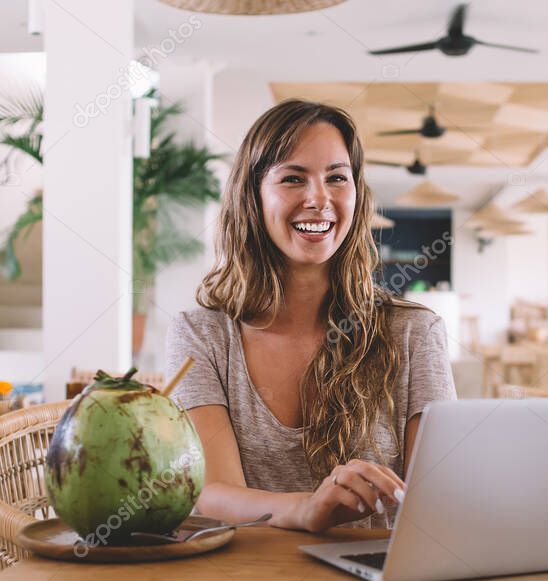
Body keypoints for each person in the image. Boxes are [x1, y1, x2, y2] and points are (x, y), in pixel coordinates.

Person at [164, 99, 455, 532]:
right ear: (253, 196)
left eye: (337, 178)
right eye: (293, 178)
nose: (319, 198)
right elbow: (211, 494)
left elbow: (439, 497)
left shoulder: (414, 332)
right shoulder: (202, 334)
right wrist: (307, 509)